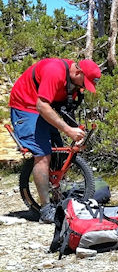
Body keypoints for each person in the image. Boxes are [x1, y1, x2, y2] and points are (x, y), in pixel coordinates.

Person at [9, 58, 101, 223]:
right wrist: (68, 130)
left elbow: (67, 109)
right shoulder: (55, 71)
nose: (83, 87)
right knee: (43, 154)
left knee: (58, 150)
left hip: (44, 106)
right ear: (78, 72)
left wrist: (76, 132)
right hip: (26, 107)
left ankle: (56, 198)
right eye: (84, 83)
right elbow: (41, 106)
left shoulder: (73, 81)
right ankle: (45, 210)